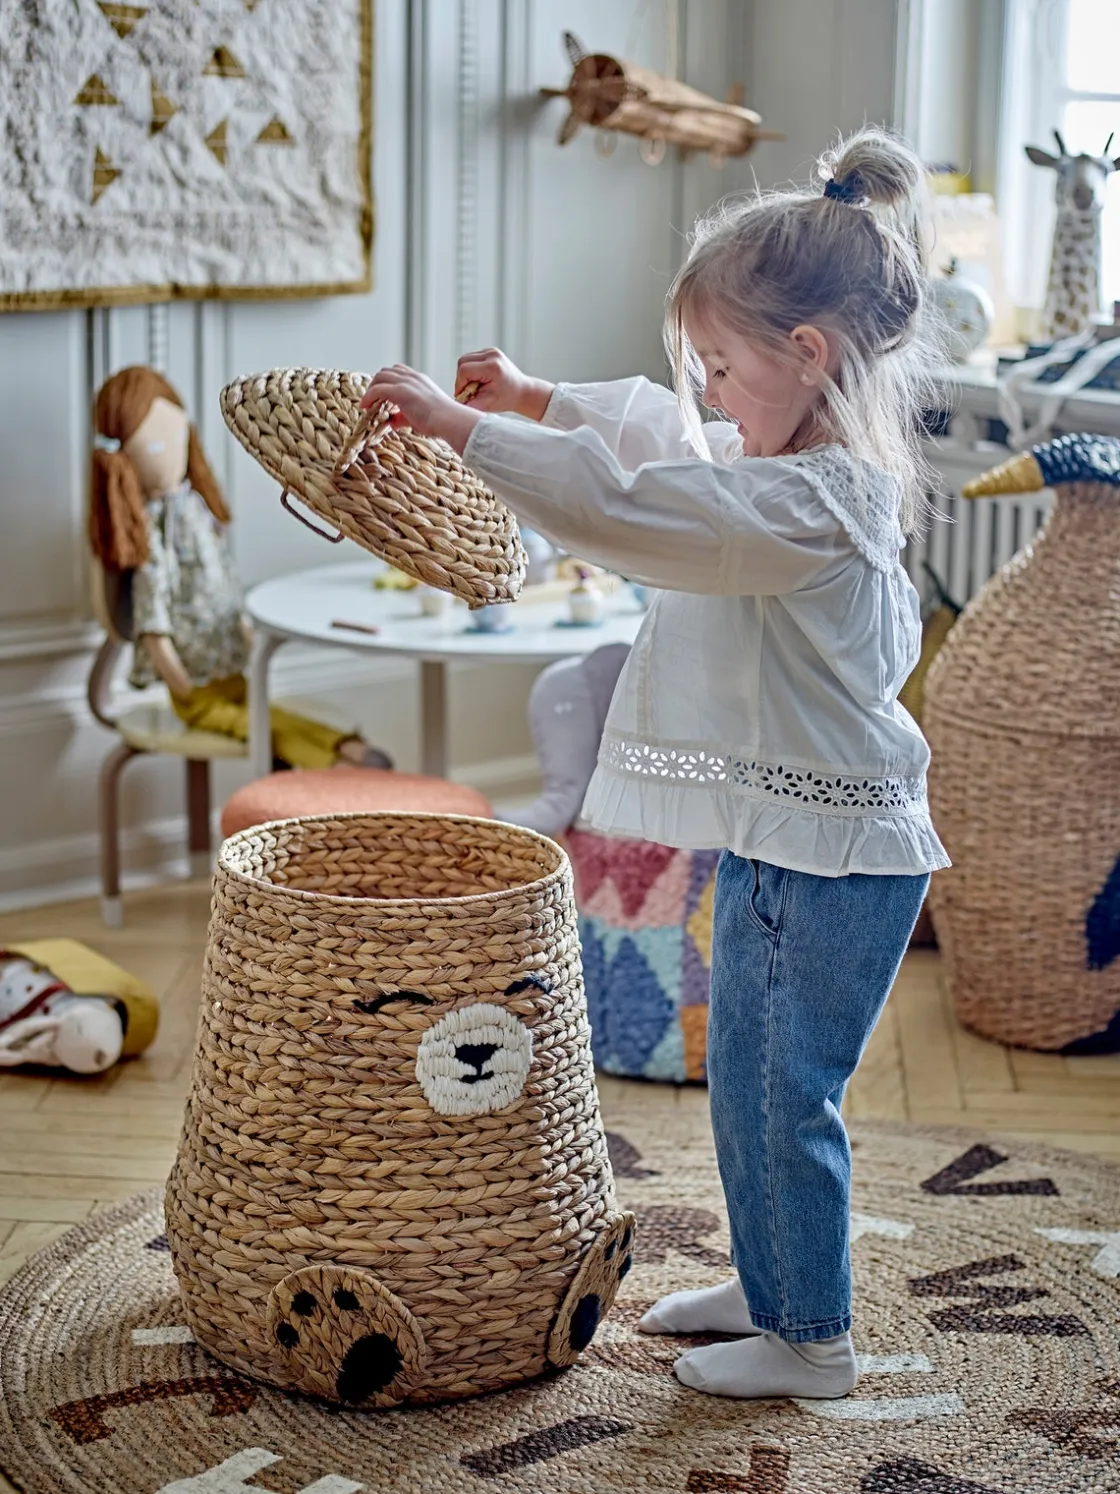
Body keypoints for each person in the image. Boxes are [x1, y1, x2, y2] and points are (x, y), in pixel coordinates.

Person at [360, 126, 950, 1401]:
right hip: (791, 843)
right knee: (746, 1080)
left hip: (837, 860)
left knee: (785, 1092)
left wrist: (467, 433)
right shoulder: (770, 465)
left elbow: (633, 506)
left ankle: (814, 1342)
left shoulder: (810, 504)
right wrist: (537, 400)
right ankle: (776, 1283)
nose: (709, 390)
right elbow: (662, 441)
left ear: (810, 354)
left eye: (723, 365)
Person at [89, 366, 391, 770]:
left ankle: (341, 748)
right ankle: (337, 755)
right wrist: (170, 667)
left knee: (265, 714)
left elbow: (220, 575)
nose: (174, 451)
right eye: (157, 447)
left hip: (226, 663)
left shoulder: (193, 509)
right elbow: (151, 602)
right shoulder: (152, 532)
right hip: (194, 684)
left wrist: (241, 627)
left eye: (178, 436)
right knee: (256, 726)